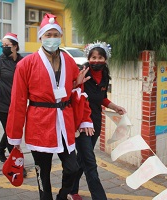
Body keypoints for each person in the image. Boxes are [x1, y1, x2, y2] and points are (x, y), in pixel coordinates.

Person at [6, 13, 94, 200]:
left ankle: (62, 196)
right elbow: (18, 102)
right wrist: (14, 138)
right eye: (48, 35)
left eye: (56, 35)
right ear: (40, 37)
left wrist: (77, 85)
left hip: (64, 123)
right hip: (40, 124)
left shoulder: (69, 61)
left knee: (73, 167)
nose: (52, 39)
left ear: (60, 37)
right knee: (43, 173)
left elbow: (75, 92)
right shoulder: (25, 65)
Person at [68, 41, 126, 200]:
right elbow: (72, 94)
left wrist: (115, 107)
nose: (97, 60)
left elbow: (102, 98)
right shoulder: (83, 73)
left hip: (95, 122)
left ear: (105, 59)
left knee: (82, 159)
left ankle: (71, 190)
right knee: (90, 162)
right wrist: (75, 83)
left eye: (100, 57)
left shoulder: (105, 75)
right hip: (81, 124)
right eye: (93, 57)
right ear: (88, 57)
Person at [0, 33, 27, 176]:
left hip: (19, 104)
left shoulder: (23, 62)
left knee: (11, 131)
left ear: (15, 46)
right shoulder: (0, 62)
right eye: (2, 45)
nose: (4, 48)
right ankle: (16, 166)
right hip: (3, 104)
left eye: (7, 45)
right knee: (11, 133)